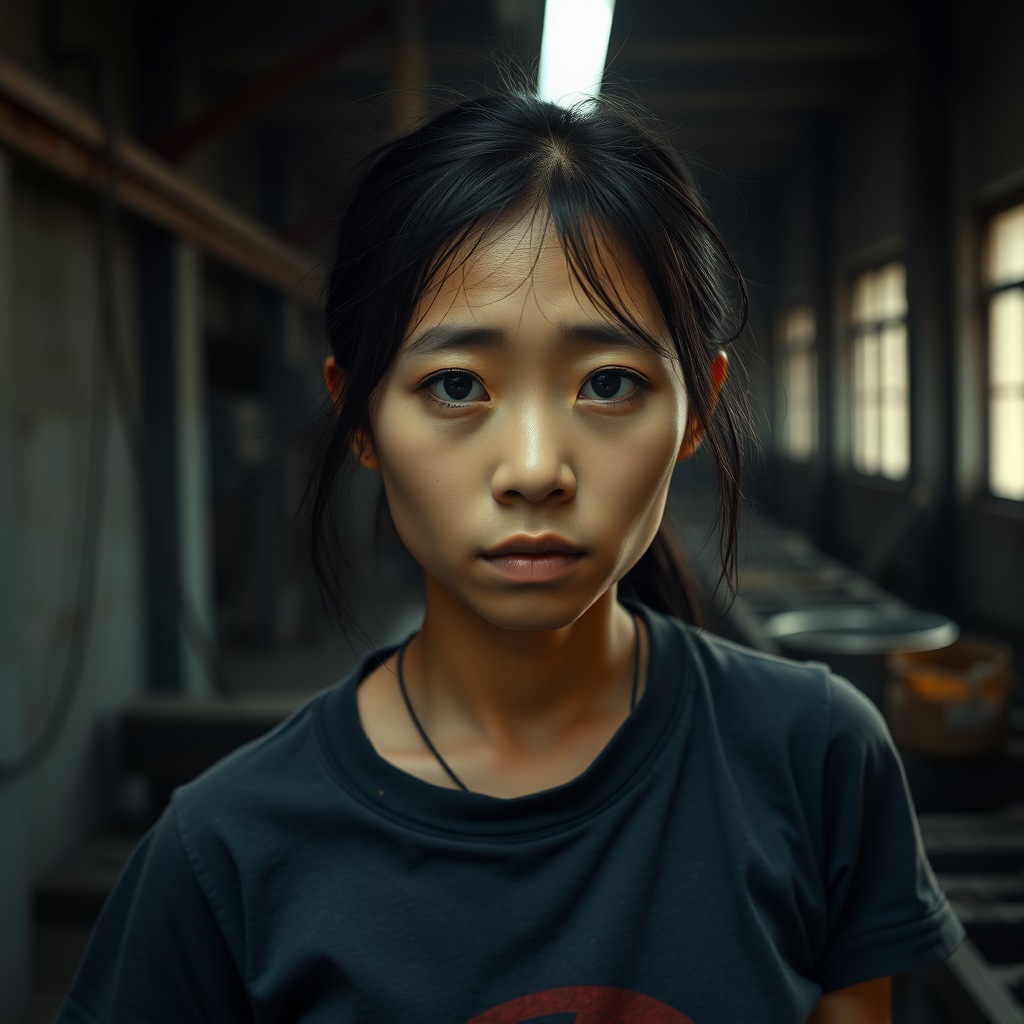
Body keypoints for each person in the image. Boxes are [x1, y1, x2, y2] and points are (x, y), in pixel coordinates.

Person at [58, 92, 962, 1024]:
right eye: (456, 386)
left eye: (608, 384)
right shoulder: (226, 858)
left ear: (696, 411)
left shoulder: (819, 760)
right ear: (359, 414)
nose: (535, 469)